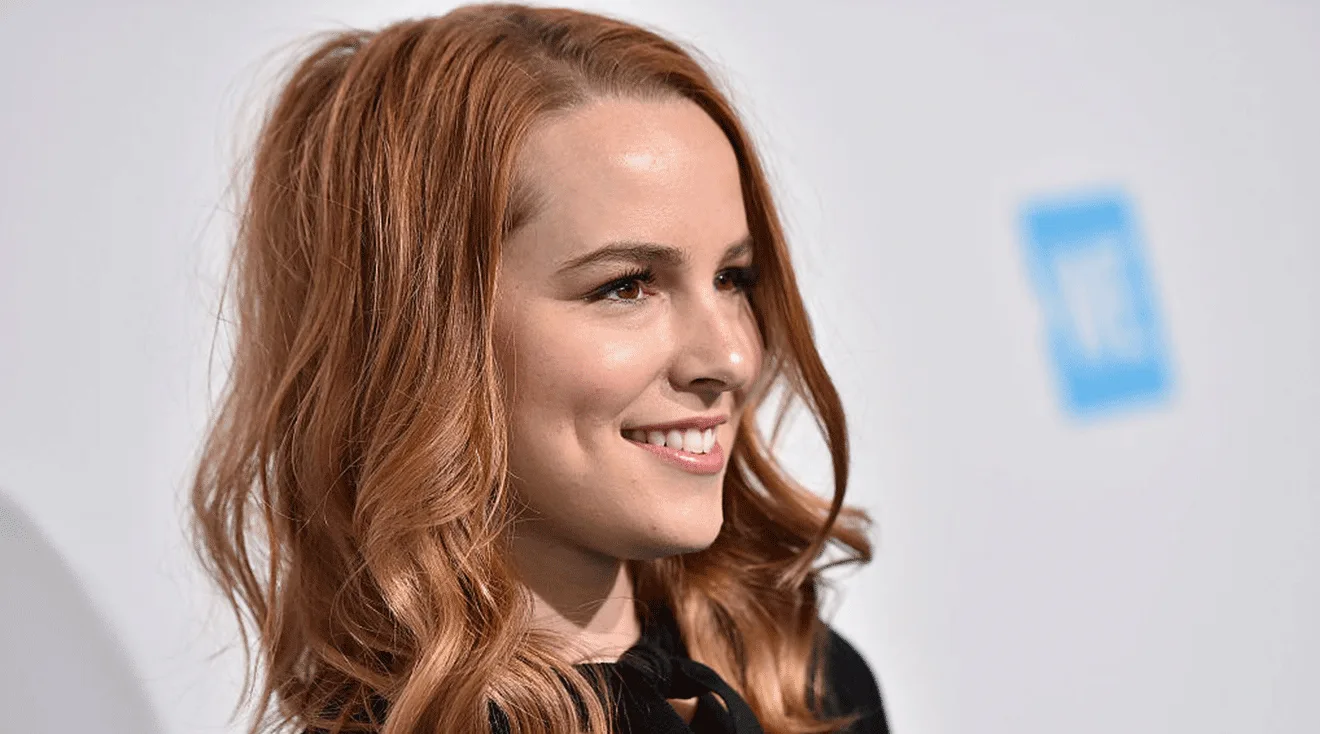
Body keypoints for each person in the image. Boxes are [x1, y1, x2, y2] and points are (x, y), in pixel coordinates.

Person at [190, 3, 886, 733]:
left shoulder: (810, 689)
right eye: (626, 285)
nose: (731, 358)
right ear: (422, 340)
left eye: (733, 278)